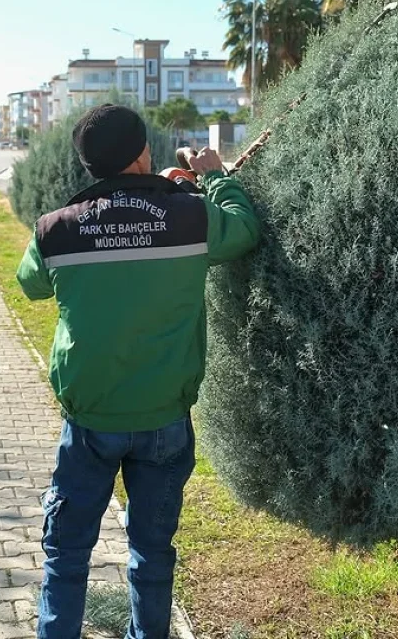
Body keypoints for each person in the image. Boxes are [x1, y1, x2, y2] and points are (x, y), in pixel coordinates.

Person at [16, 104, 261, 639]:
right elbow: (243, 231)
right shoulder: (190, 217)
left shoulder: (56, 229)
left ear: (88, 166)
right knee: (151, 552)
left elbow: (29, 282)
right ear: (143, 152)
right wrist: (211, 178)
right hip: (164, 421)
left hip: (89, 425)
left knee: (67, 552)